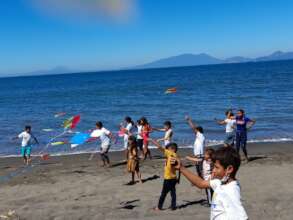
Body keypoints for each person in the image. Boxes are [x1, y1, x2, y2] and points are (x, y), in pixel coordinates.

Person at [171, 147, 248, 220]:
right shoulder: (220, 182)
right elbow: (201, 183)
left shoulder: (230, 191)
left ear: (229, 169)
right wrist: (181, 168)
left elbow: (242, 217)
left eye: (216, 167)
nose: (213, 170)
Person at [150, 139, 178, 211]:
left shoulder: (170, 154)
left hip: (168, 178)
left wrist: (152, 140)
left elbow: (160, 147)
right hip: (173, 178)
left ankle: (159, 207)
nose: (166, 151)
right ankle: (173, 206)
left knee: (163, 194)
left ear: (172, 149)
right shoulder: (175, 156)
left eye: (167, 149)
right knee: (173, 193)